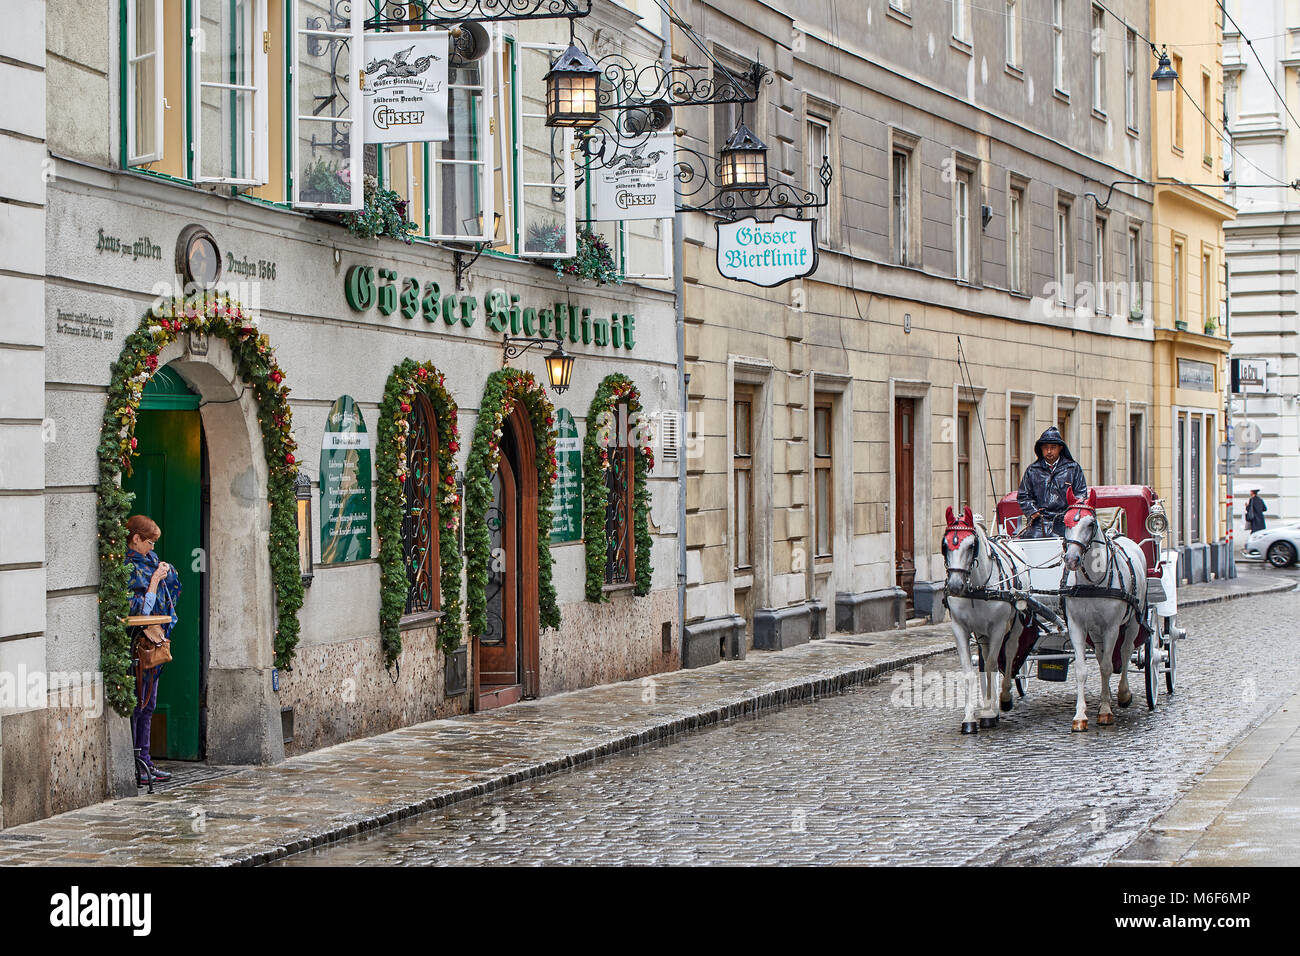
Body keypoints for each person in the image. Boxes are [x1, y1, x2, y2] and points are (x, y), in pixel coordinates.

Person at [125, 514, 180, 785]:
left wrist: (167, 574)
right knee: (140, 703)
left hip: (155, 639)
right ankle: (137, 762)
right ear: (135, 539)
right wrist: (155, 581)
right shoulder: (127, 567)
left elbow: (170, 593)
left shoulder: (149, 561)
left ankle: (145, 759)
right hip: (137, 643)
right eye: (149, 542)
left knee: (150, 703)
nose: (152, 548)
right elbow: (139, 608)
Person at [1016, 425, 1089, 538]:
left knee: (1073, 548)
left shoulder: (1073, 468)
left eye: (1053, 447)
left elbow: (1081, 495)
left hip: (1065, 521)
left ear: (1060, 448)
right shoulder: (1032, 470)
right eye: (1045, 447)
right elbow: (1023, 495)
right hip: (1039, 522)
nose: (1049, 451)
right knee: (1029, 546)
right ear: (1040, 449)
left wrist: (1070, 514)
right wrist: (1032, 511)